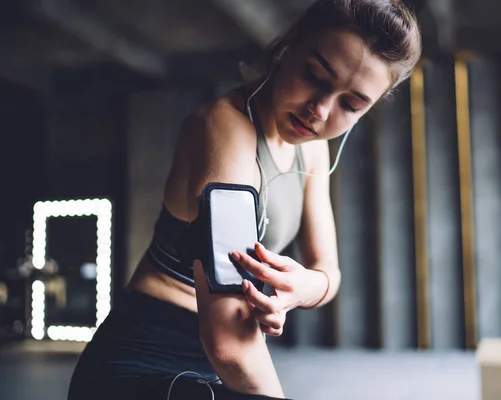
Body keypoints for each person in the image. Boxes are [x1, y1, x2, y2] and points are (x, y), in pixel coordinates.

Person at [67, 0, 422, 399]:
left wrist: (303, 288)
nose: (320, 110)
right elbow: (228, 344)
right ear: (288, 46)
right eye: (314, 75)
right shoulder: (226, 132)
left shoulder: (313, 149)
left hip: (211, 368)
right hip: (143, 363)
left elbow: (328, 271)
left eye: (351, 104)